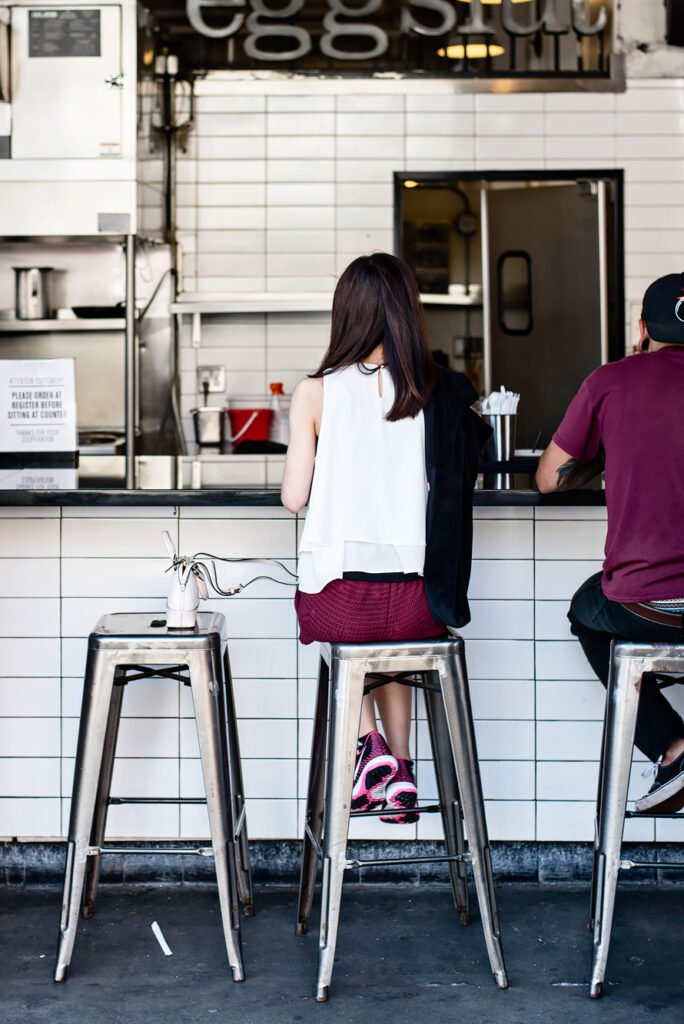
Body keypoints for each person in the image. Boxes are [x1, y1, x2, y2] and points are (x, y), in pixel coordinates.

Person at [281, 253, 489, 824]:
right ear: (407, 313)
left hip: (340, 606)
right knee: (391, 645)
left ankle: (367, 745)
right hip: (421, 603)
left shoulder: (315, 392)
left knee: (355, 637)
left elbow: (294, 498)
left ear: (345, 313)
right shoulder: (439, 391)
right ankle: (398, 766)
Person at [536, 272, 684, 813]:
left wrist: (610, 452)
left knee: (586, 611)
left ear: (642, 328)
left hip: (646, 603)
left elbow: (549, 478)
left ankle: (672, 745)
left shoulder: (611, 381)